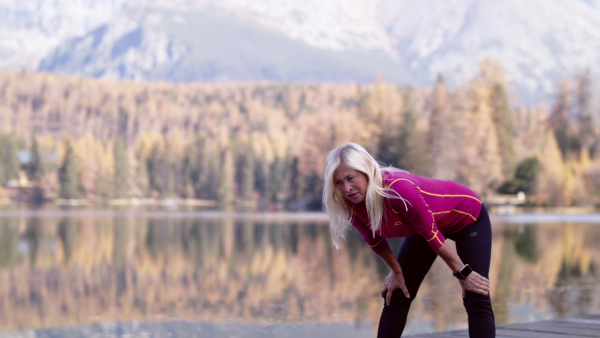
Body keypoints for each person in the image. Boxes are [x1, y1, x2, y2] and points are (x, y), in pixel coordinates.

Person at [322, 142, 495, 337]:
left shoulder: (399, 188)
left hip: (467, 216)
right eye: (339, 183)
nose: (347, 188)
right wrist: (396, 272)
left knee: (476, 294)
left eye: (351, 178)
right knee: (396, 295)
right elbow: (375, 241)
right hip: (426, 230)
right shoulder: (350, 204)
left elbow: (431, 234)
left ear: (367, 171)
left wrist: (464, 274)